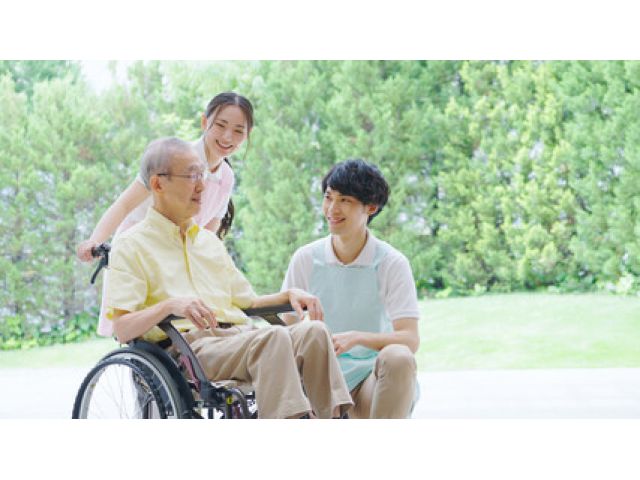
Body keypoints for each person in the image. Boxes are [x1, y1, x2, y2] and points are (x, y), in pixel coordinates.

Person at [104, 137, 352, 419]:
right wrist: (170, 305)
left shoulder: (209, 242)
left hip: (240, 338)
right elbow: (122, 328)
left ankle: (331, 421)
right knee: (273, 338)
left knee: (314, 333)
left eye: (202, 175)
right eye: (191, 176)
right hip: (191, 350)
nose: (201, 186)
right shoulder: (131, 245)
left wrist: (289, 295)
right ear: (158, 184)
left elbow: (248, 303)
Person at [77, 92, 251, 336]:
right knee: (136, 319)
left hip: (179, 249)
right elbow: (124, 205)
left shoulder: (227, 177)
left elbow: (207, 233)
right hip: (145, 245)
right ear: (205, 122)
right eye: (220, 126)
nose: (227, 137)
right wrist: (95, 240)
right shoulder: (176, 158)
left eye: (238, 131)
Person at [281, 159, 420, 418]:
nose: (332, 209)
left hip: (371, 381)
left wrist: (357, 338)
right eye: (328, 197)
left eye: (345, 200)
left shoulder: (391, 263)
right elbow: (285, 328)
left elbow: (410, 338)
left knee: (399, 357)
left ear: (371, 207)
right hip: (318, 381)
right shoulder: (306, 258)